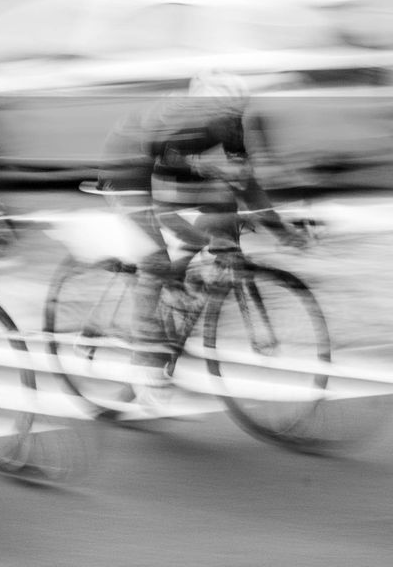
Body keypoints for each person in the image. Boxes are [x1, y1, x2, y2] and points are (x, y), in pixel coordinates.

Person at [98, 70, 305, 385]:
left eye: (233, 117)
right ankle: (144, 360)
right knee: (155, 261)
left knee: (223, 199)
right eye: (220, 116)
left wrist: (279, 230)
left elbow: (246, 182)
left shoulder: (229, 121)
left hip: (168, 166)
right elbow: (164, 193)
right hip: (127, 169)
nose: (227, 124)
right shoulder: (175, 117)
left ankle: (190, 275)